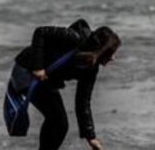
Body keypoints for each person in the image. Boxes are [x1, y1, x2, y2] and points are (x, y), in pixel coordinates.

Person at [10, 19, 121, 150]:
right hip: (26, 71)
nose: (113, 58)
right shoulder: (73, 38)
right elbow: (40, 32)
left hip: (44, 80)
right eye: (111, 53)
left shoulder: (91, 68)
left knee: (59, 123)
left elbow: (83, 101)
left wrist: (91, 137)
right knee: (58, 121)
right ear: (102, 50)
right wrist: (37, 67)